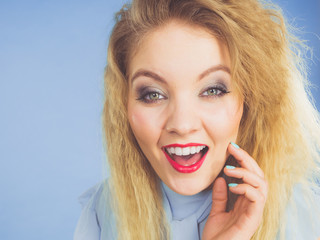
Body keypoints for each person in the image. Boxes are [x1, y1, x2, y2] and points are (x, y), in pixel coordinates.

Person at [74, 0, 320, 239]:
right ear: (123, 104)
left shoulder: (304, 217)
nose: (182, 125)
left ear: (251, 99)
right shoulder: (102, 213)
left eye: (212, 90)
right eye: (153, 94)